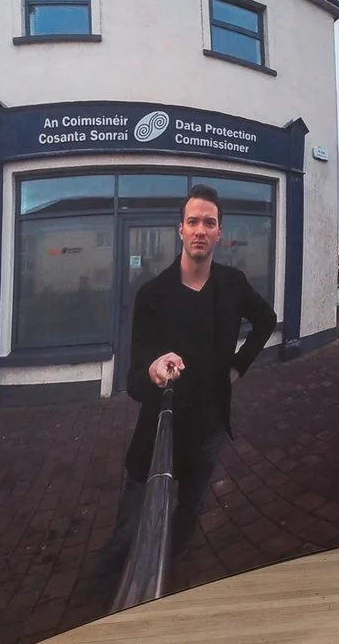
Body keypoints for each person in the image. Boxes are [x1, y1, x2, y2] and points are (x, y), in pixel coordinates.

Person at [96, 183, 276, 606]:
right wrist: (154, 373)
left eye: (209, 223)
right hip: (158, 436)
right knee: (131, 522)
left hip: (209, 430)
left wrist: (237, 365)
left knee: (188, 512)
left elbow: (266, 320)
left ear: (219, 234)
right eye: (192, 221)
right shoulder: (152, 295)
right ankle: (104, 593)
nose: (200, 229)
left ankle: (171, 572)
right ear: (180, 230)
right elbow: (135, 381)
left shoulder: (232, 285)